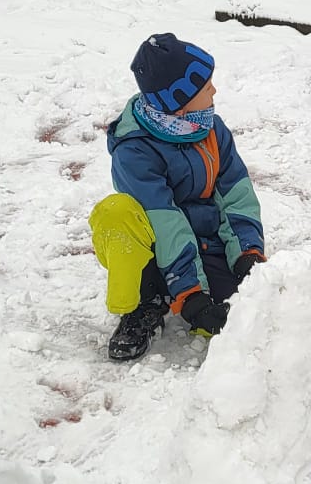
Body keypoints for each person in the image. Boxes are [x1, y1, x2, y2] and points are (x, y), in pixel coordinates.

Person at [88, 33, 266, 361]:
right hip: (156, 248)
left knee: (242, 311)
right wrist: (191, 295)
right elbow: (165, 221)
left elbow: (236, 195)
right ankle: (144, 304)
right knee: (116, 213)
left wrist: (246, 255)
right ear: (179, 103)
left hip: (202, 242)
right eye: (205, 87)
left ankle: (191, 286)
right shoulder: (134, 150)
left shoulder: (211, 129)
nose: (214, 91)